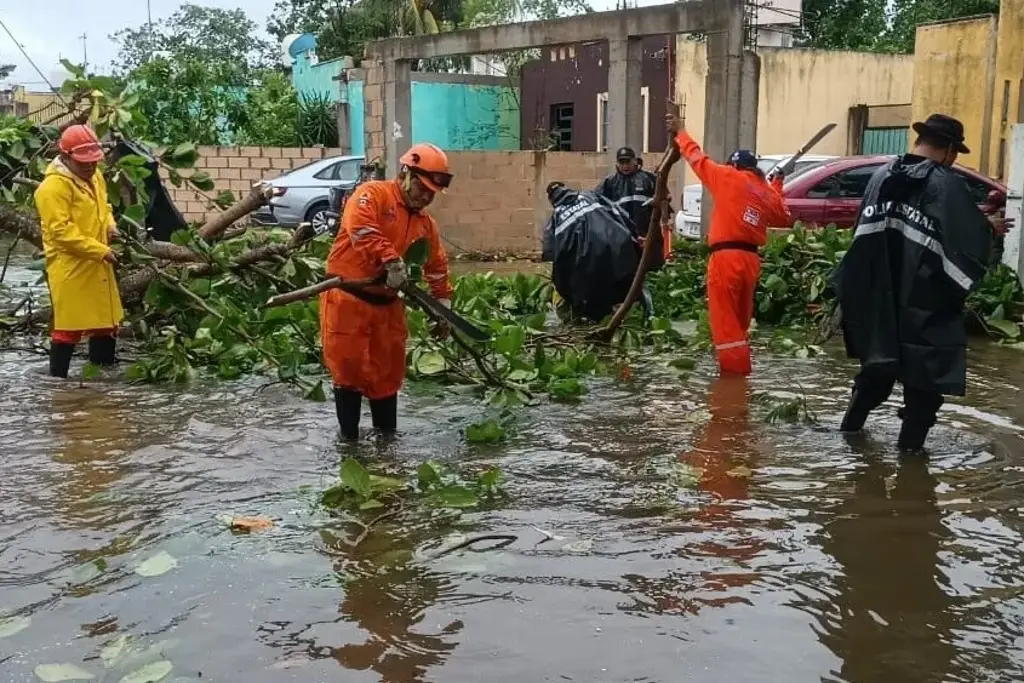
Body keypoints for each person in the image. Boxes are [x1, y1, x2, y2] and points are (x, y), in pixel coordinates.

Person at [832, 113, 1003, 451]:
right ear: (950, 150)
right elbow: (964, 240)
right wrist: (990, 229)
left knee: (876, 367)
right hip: (925, 300)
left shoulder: (881, 175)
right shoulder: (946, 183)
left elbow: (860, 236)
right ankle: (911, 465)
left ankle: (849, 434)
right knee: (925, 383)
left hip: (877, 295)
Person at [320, 142, 454, 440]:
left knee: (387, 375)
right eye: (423, 188)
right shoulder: (372, 195)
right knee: (349, 371)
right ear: (407, 173)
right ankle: (349, 444)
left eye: (432, 192)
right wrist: (391, 260)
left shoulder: (425, 224)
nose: (427, 196)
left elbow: (436, 265)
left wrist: (442, 304)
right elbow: (361, 228)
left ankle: (387, 444)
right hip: (348, 298)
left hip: (388, 305)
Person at [666, 114, 792, 376]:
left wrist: (681, 133)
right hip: (750, 262)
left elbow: (697, 158)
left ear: (734, 166)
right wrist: (777, 183)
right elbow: (782, 215)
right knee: (740, 322)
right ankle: (740, 373)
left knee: (726, 326)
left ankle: (733, 388)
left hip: (726, 258)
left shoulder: (729, 177)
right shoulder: (764, 190)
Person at [34, 124, 123, 379]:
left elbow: (104, 207)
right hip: (70, 265)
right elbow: (60, 232)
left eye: (94, 162)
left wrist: (111, 226)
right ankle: (57, 382)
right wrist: (99, 250)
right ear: (65, 157)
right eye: (83, 162)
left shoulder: (95, 177)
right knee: (68, 327)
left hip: (98, 259)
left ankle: (102, 378)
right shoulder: (51, 189)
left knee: (106, 323)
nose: (90, 167)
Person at [541, 181, 642, 322]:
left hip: (589, 266)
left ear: (552, 201)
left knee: (594, 305)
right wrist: (634, 235)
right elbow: (618, 212)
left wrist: (565, 289)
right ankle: (642, 315)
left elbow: (553, 254)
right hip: (619, 249)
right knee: (631, 287)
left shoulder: (556, 219)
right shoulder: (591, 196)